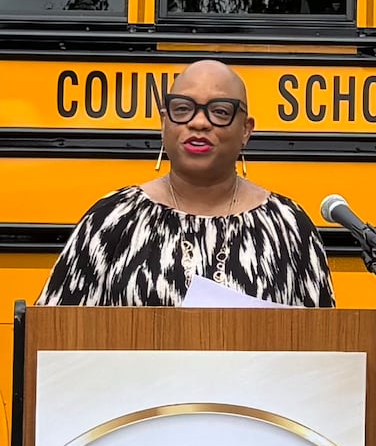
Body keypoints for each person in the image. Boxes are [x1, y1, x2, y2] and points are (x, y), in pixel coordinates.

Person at [41, 60, 333, 308]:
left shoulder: (288, 227)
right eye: (182, 109)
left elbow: (324, 351)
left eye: (220, 111)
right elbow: (52, 344)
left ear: (246, 130)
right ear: (164, 122)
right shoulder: (112, 221)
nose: (199, 123)